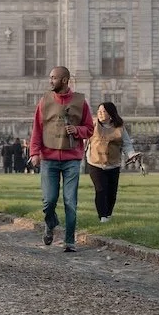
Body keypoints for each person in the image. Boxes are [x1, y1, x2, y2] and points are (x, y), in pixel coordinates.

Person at [29, 66, 94, 252]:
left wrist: (78, 130)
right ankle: (50, 223)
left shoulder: (81, 102)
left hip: (71, 159)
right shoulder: (45, 101)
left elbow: (90, 128)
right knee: (49, 201)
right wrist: (34, 153)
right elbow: (37, 129)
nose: (50, 81)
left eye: (54, 78)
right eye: (50, 77)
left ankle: (69, 241)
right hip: (49, 159)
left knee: (70, 201)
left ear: (65, 80)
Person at [85, 102, 139, 224]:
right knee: (100, 189)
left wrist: (131, 155)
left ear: (110, 113)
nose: (100, 114)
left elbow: (126, 143)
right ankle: (102, 216)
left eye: (103, 111)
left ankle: (108, 214)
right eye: (99, 111)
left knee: (111, 192)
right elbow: (84, 140)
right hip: (95, 163)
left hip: (113, 164)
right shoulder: (92, 124)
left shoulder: (119, 127)